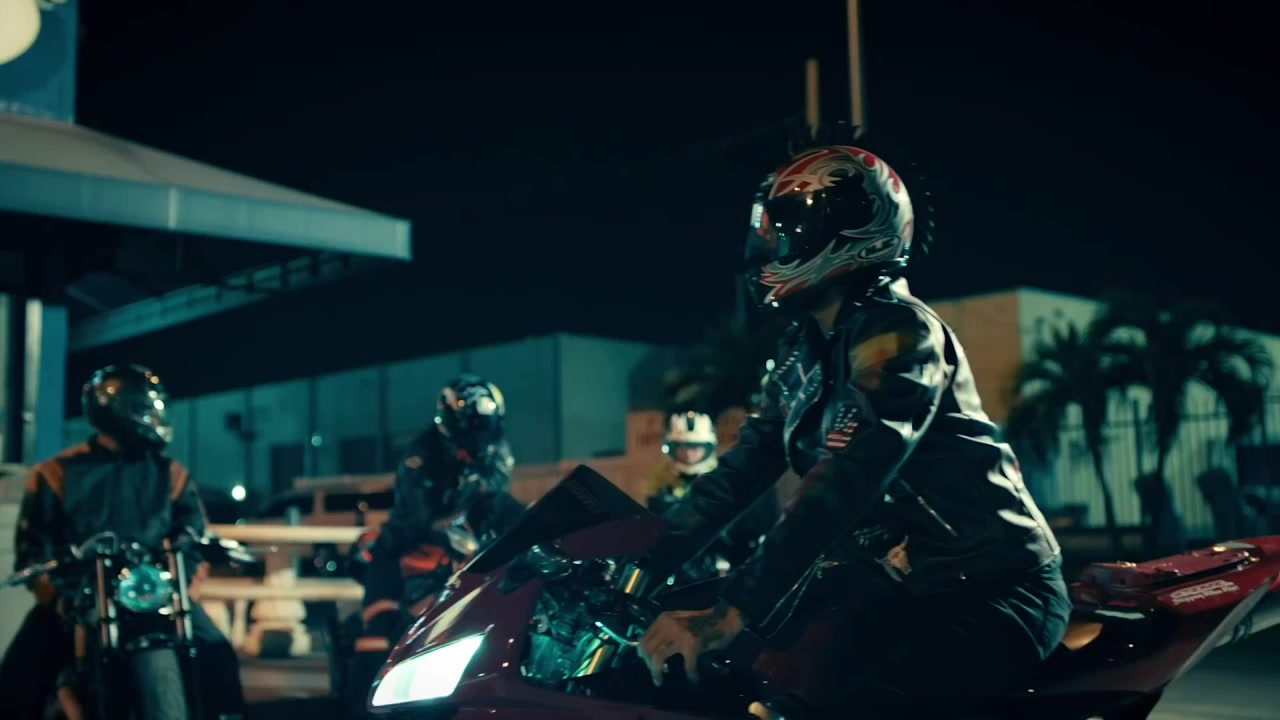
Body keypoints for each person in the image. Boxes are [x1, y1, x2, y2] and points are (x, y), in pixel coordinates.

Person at [636, 144, 1070, 719]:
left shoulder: (901, 335)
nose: (775, 244)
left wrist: (732, 608)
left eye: (791, 228)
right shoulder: (802, 353)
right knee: (740, 684)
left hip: (988, 585)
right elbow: (739, 472)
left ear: (851, 230)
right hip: (894, 586)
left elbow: (849, 473)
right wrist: (637, 559)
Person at [0, 364, 245, 720]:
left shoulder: (170, 474)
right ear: (118, 409)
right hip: (81, 597)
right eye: (146, 409)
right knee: (17, 680)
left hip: (154, 598)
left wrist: (181, 583)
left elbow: (193, 533)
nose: (155, 418)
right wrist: (61, 596)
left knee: (219, 654)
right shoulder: (55, 473)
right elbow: (32, 547)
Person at [346, 374, 525, 715]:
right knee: (379, 632)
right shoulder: (420, 456)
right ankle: (360, 708)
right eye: (471, 425)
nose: (478, 433)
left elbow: (498, 505)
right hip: (407, 542)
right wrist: (454, 532)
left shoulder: (497, 452)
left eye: (484, 425)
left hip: (469, 548)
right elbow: (420, 518)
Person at [647, 411, 778, 583]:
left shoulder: (728, 481)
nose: (689, 454)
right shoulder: (660, 486)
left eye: (695, 447)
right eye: (683, 447)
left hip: (725, 570)